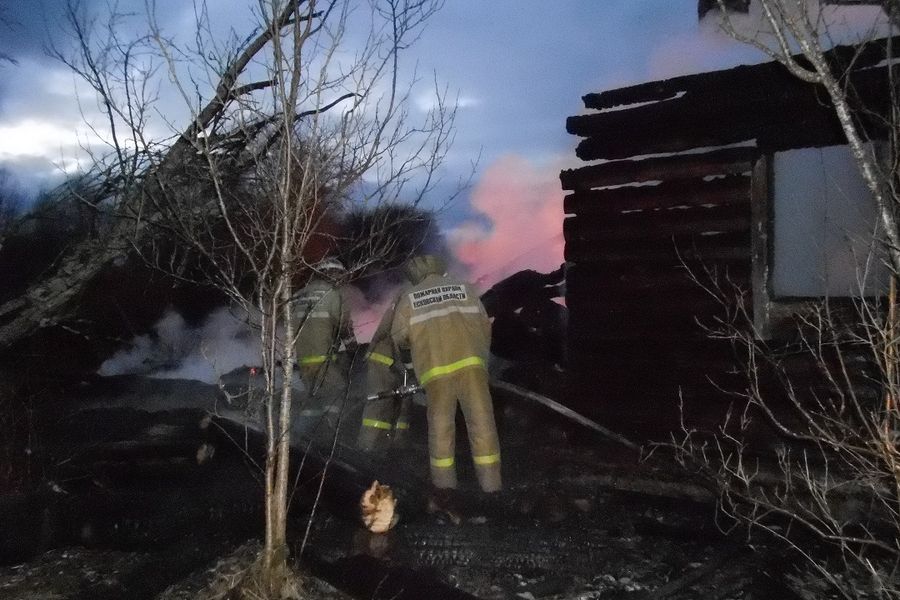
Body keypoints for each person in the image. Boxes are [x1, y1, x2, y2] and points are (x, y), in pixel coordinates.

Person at [390, 254, 502, 495]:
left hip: (435, 374)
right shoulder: (463, 287)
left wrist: (411, 370)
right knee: (483, 427)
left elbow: (399, 338)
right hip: (472, 368)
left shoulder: (409, 298)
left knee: (441, 433)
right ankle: (492, 487)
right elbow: (485, 324)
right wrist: (481, 358)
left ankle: (445, 491)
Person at [294, 257, 357, 434]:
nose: (341, 280)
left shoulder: (297, 295)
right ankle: (333, 432)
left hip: (303, 360)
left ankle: (306, 433)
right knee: (337, 390)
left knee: (312, 397)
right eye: (338, 274)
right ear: (328, 273)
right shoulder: (333, 294)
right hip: (324, 359)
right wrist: (354, 350)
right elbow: (345, 326)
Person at [357, 303, 412, 453]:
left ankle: (387, 447)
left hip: (392, 360)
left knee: (400, 402)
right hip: (387, 359)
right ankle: (368, 447)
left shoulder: (404, 297)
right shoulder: (409, 298)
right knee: (380, 403)